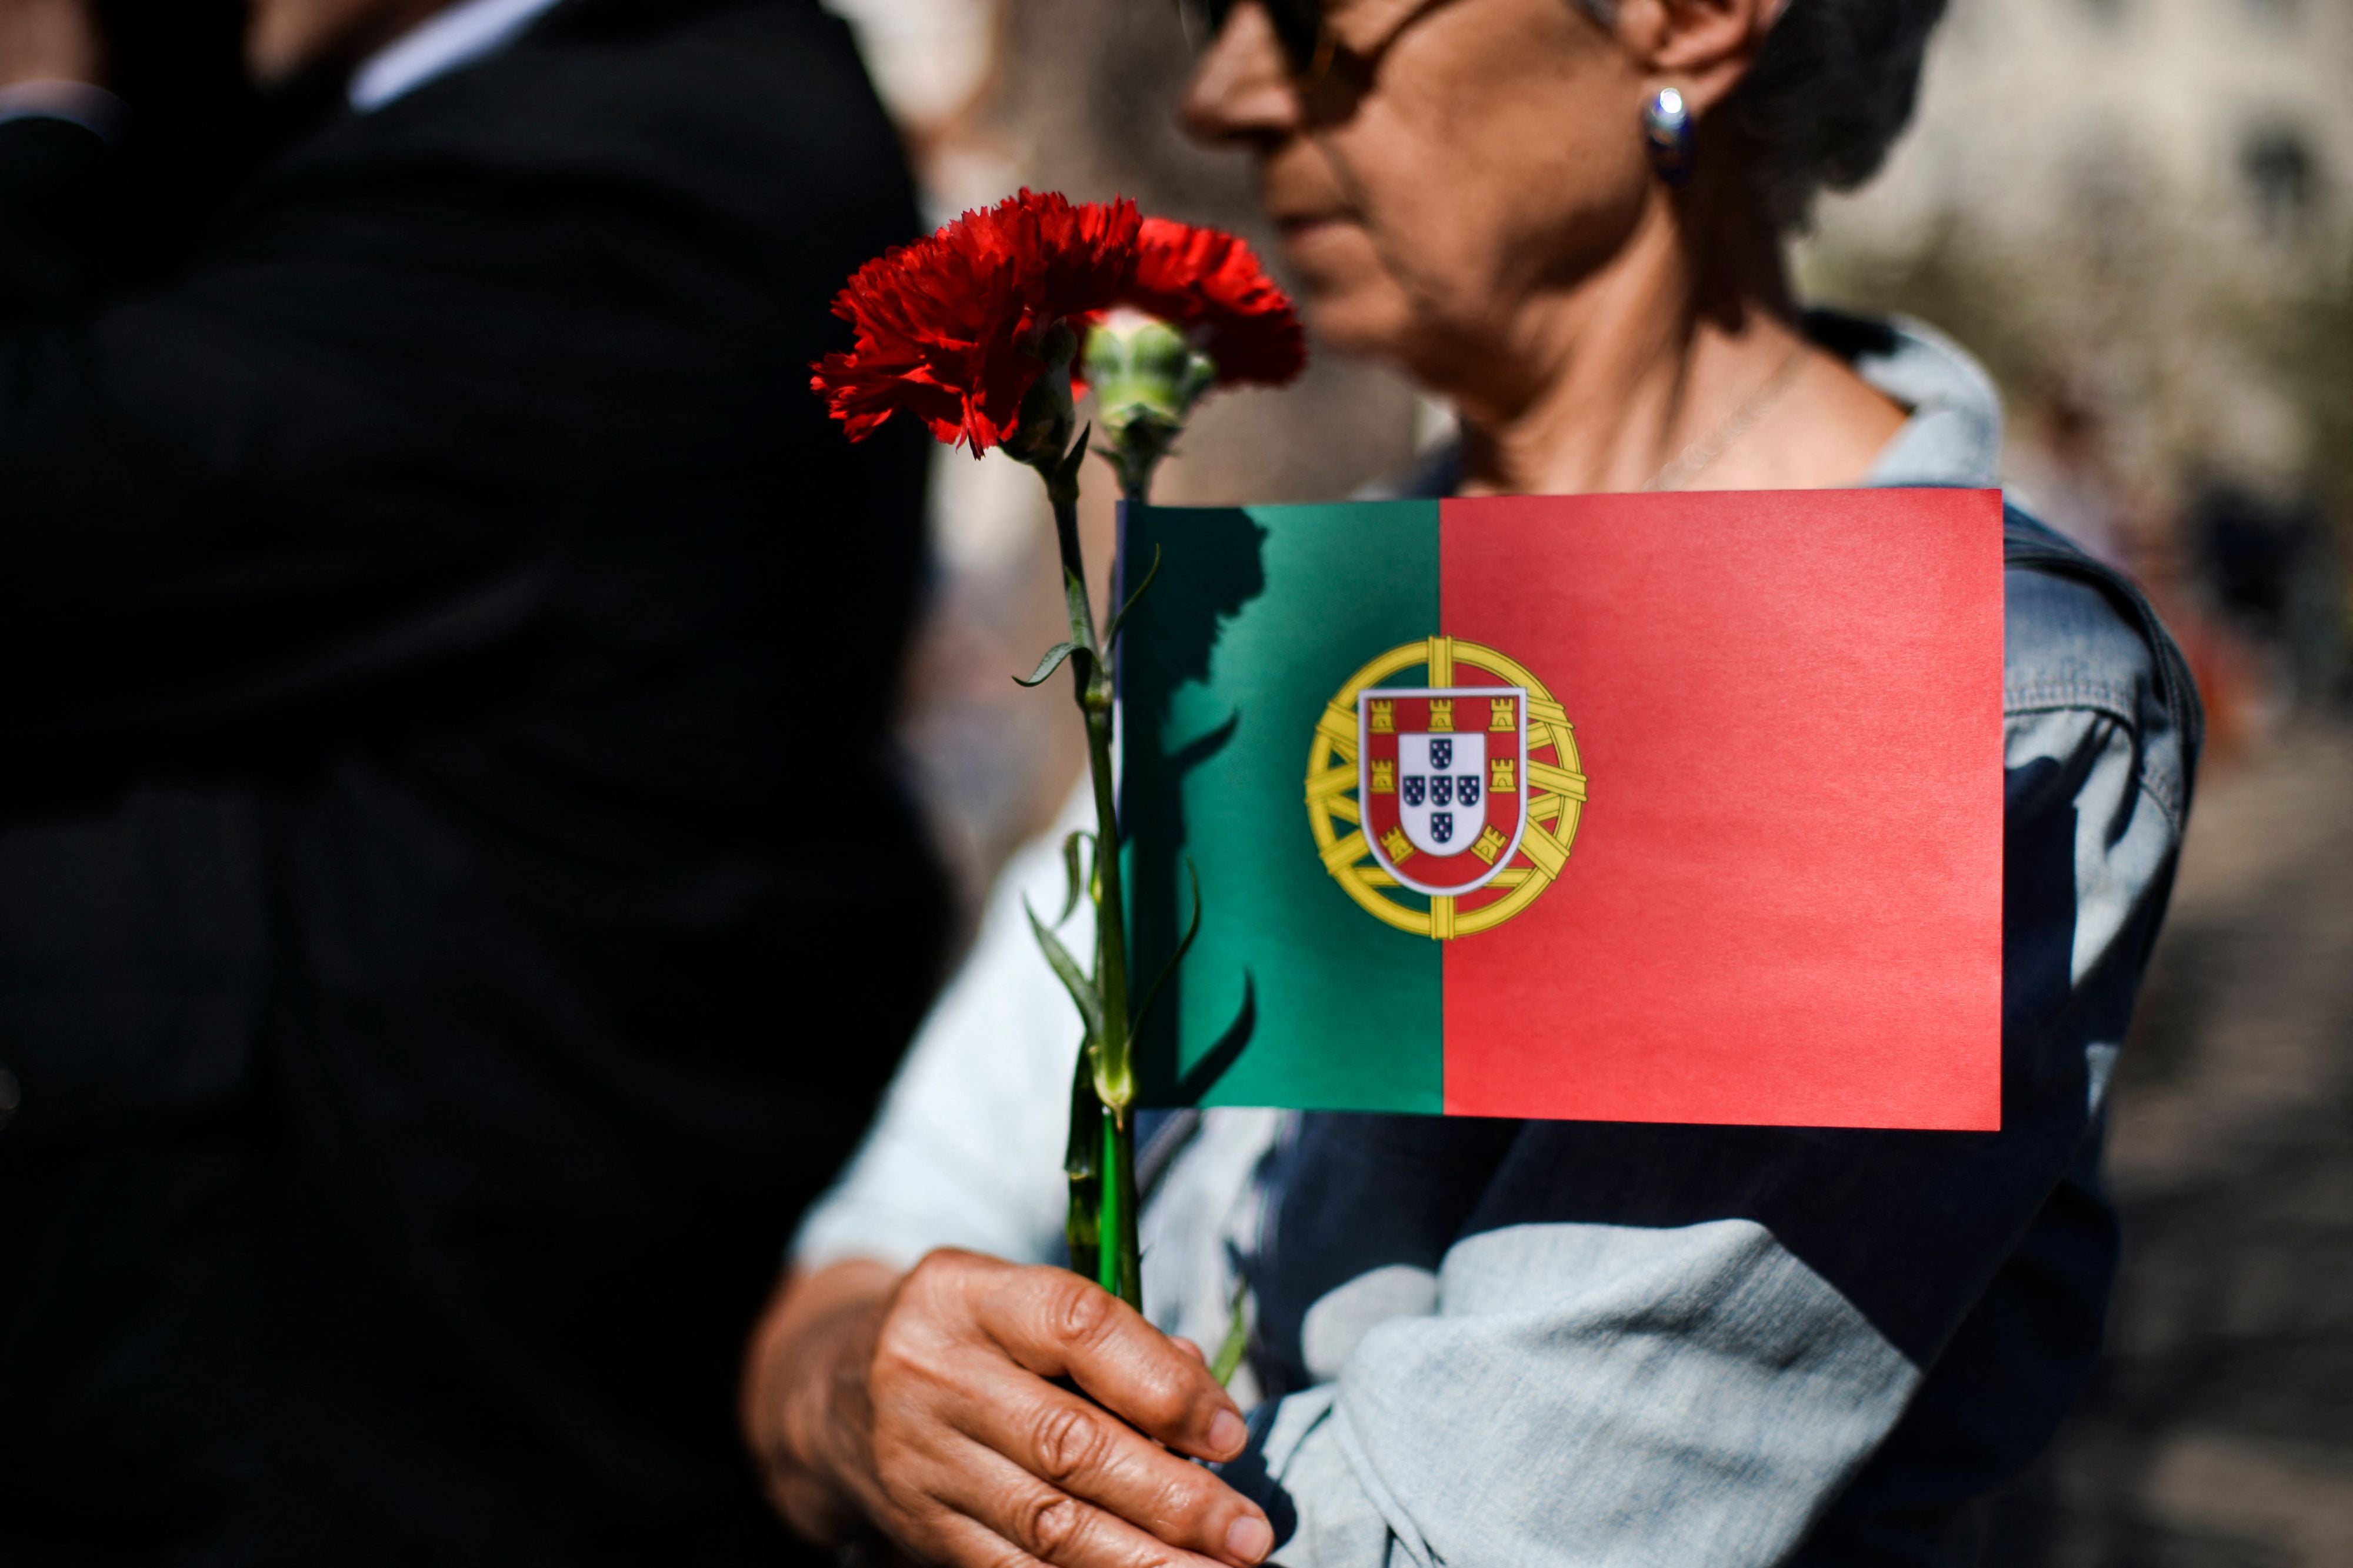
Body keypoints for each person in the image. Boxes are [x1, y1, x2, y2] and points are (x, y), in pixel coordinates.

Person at [742, 1, 2204, 1566]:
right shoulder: (1297, 618)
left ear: (1692, 20)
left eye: (1308, 20)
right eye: (1211, 16)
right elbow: (864, 1257)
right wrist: (868, 1394)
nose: (1225, 100)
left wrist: (981, 1460)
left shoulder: (1942, 685)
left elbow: (1461, 1533)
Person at [0, 0, 945, 1563]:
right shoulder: (392, 122)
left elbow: (52, 519)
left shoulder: (635, 154)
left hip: (435, 1439)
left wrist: (39, 101)